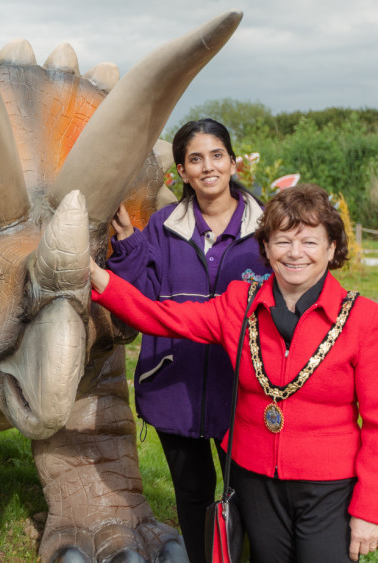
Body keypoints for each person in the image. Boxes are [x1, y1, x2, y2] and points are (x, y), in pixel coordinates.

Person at [91, 183, 378, 562]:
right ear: (266, 248)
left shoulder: (363, 319)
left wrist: (368, 511)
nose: (295, 254)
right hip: (252, 478)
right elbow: (160, 316)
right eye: (282, 241)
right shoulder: (238, 303)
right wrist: (98, 278)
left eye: (309, 242)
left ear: (331, 248)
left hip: (329, 487)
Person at [104, 118, 270, 562]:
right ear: (181, 171)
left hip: (243, 391)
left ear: (233, 162)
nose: (208, 167)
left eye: (217, 155)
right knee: (193, 496)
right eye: (195, 159)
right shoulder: (162, 226)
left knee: (247, 498)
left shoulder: (269, 229)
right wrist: (127, 243)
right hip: (173, 386)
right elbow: (137, 300)